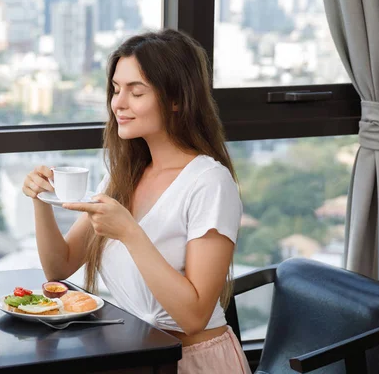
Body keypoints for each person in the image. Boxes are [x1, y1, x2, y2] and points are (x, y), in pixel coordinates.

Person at [22, 29, 250, 374]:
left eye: (136, 91)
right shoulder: (123, 176)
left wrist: (130, 233)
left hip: (193, 363)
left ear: (176, 99)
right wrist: (42, 201)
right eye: (115, 90)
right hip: (137, 359)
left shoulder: (210, 183)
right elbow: (60, 267)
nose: (118, 104)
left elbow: (193, 316)